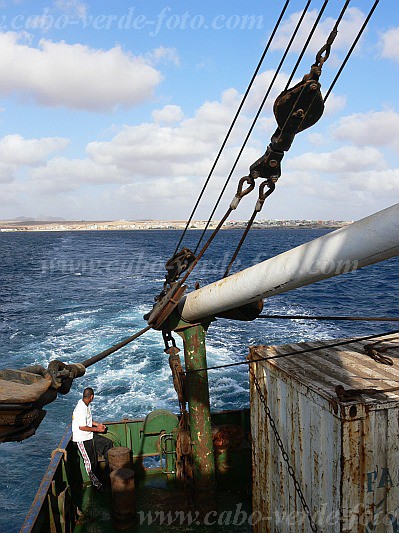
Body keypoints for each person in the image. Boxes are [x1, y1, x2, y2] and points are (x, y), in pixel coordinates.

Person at [72, 387, 113, 490]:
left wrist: (97, 424)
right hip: (81, 439)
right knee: (90, 462)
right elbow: (82, 427)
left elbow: (87, 421)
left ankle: (108, 473)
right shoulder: (81, 409)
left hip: (89, 436)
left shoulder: (85, 404)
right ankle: (96, 484)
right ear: (92, 397)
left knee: (107, 444)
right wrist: (97, 430)